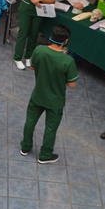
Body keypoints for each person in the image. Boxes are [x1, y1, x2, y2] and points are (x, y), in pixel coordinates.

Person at [20, 24, 79, 164]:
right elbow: (72, 84)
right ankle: (45, 155)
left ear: (51, 37)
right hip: (55, 101)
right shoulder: (68, 61)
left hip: (38, 95)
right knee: (50, 129)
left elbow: (33, 67)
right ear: (66, 41)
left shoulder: (39, 50)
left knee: (30, 121)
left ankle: (25, 147)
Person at [13, 0, 61, 70]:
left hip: (39, 11)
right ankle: (18, 58)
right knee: (23, 33)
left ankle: (29, 57)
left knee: (34, 34)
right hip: (26, 8)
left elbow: (52, 1)